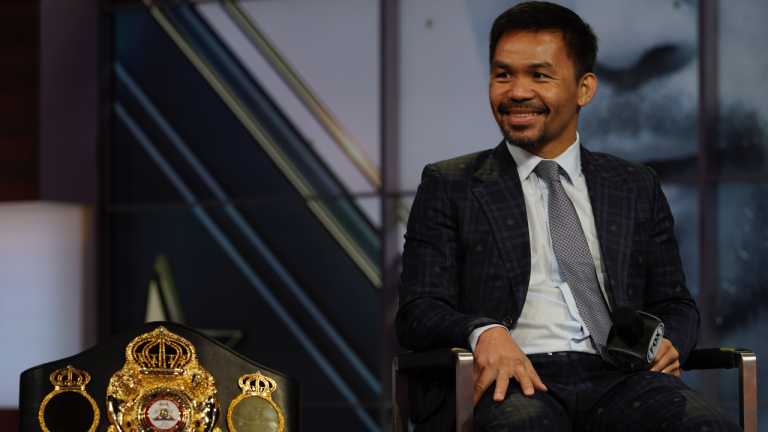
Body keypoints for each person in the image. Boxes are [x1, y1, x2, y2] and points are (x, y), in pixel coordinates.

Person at [395, 2, 741, 431]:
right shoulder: (450, 183)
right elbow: (417, 310)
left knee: (709, 426)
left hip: (622, 376)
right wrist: (482, 333)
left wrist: (671, 341)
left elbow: (674, 301)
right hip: (514, 377)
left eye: (539, 75)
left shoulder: (635, 184)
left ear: (584, 89)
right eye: (503, 75)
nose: (517, 92)